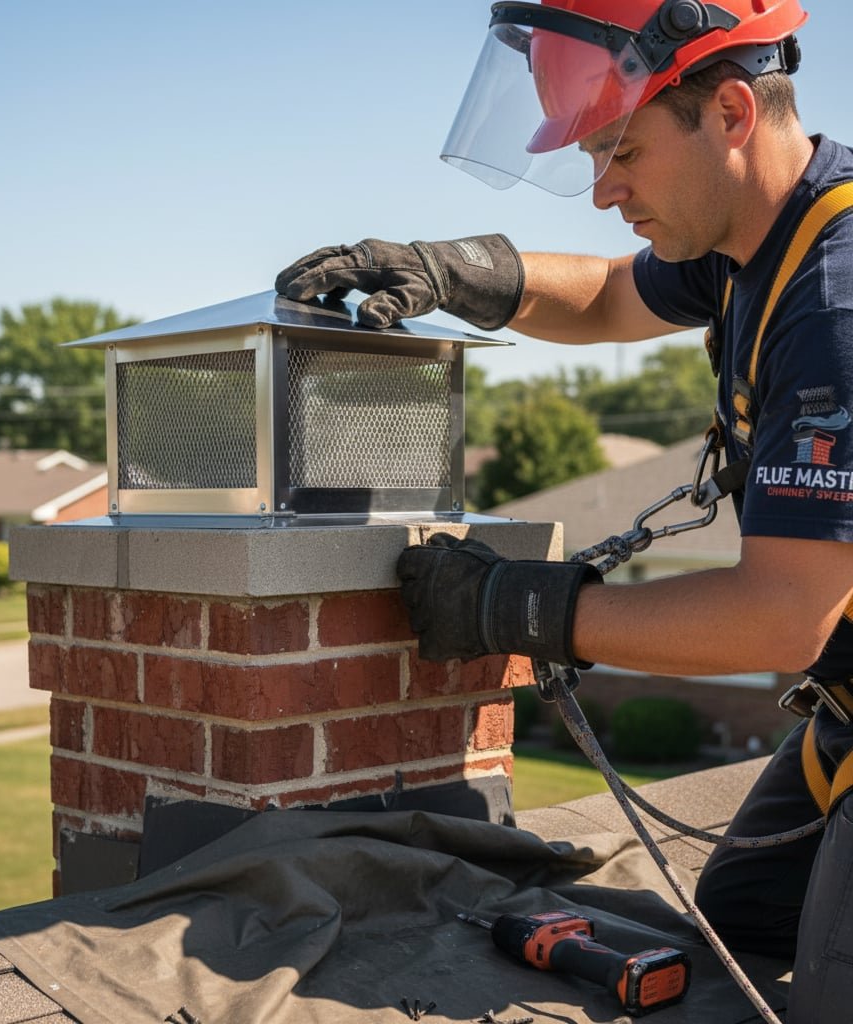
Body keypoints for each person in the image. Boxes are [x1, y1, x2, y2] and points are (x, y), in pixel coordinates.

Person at [274, 1, 853, 1020]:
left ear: (729, 112)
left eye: (621, 150)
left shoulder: (836, 302)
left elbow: (778, 618)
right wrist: (453, 271)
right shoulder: (760, 232)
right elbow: (610, 296)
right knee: (742, 919)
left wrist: (515, 609)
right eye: (591, 155)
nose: (602, 191)